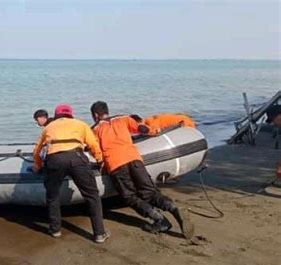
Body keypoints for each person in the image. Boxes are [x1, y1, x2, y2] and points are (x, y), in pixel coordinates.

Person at [90, 101, 195, 239]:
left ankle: (159, 219)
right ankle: (173, 208)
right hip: (134, 159)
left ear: (95, 115)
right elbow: (142, 129)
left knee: (130, 196)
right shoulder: (123, 118)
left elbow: (94, 148)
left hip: (115, 164)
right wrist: (155, 131)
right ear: (107, 111)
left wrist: (100, 162)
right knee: (149, 192)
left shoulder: (95, 129)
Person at [33, 104, 109, 243]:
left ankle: (55, 230)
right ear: (70, 114)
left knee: (52, 195)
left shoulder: (49, 127)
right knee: (92, 196)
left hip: (54, 159)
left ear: (56, 116)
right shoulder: (80, 124)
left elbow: (37, 149)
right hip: (76, 158)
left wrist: (37, 165)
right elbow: (93, 144)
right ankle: (99, 234)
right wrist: (99, 160)